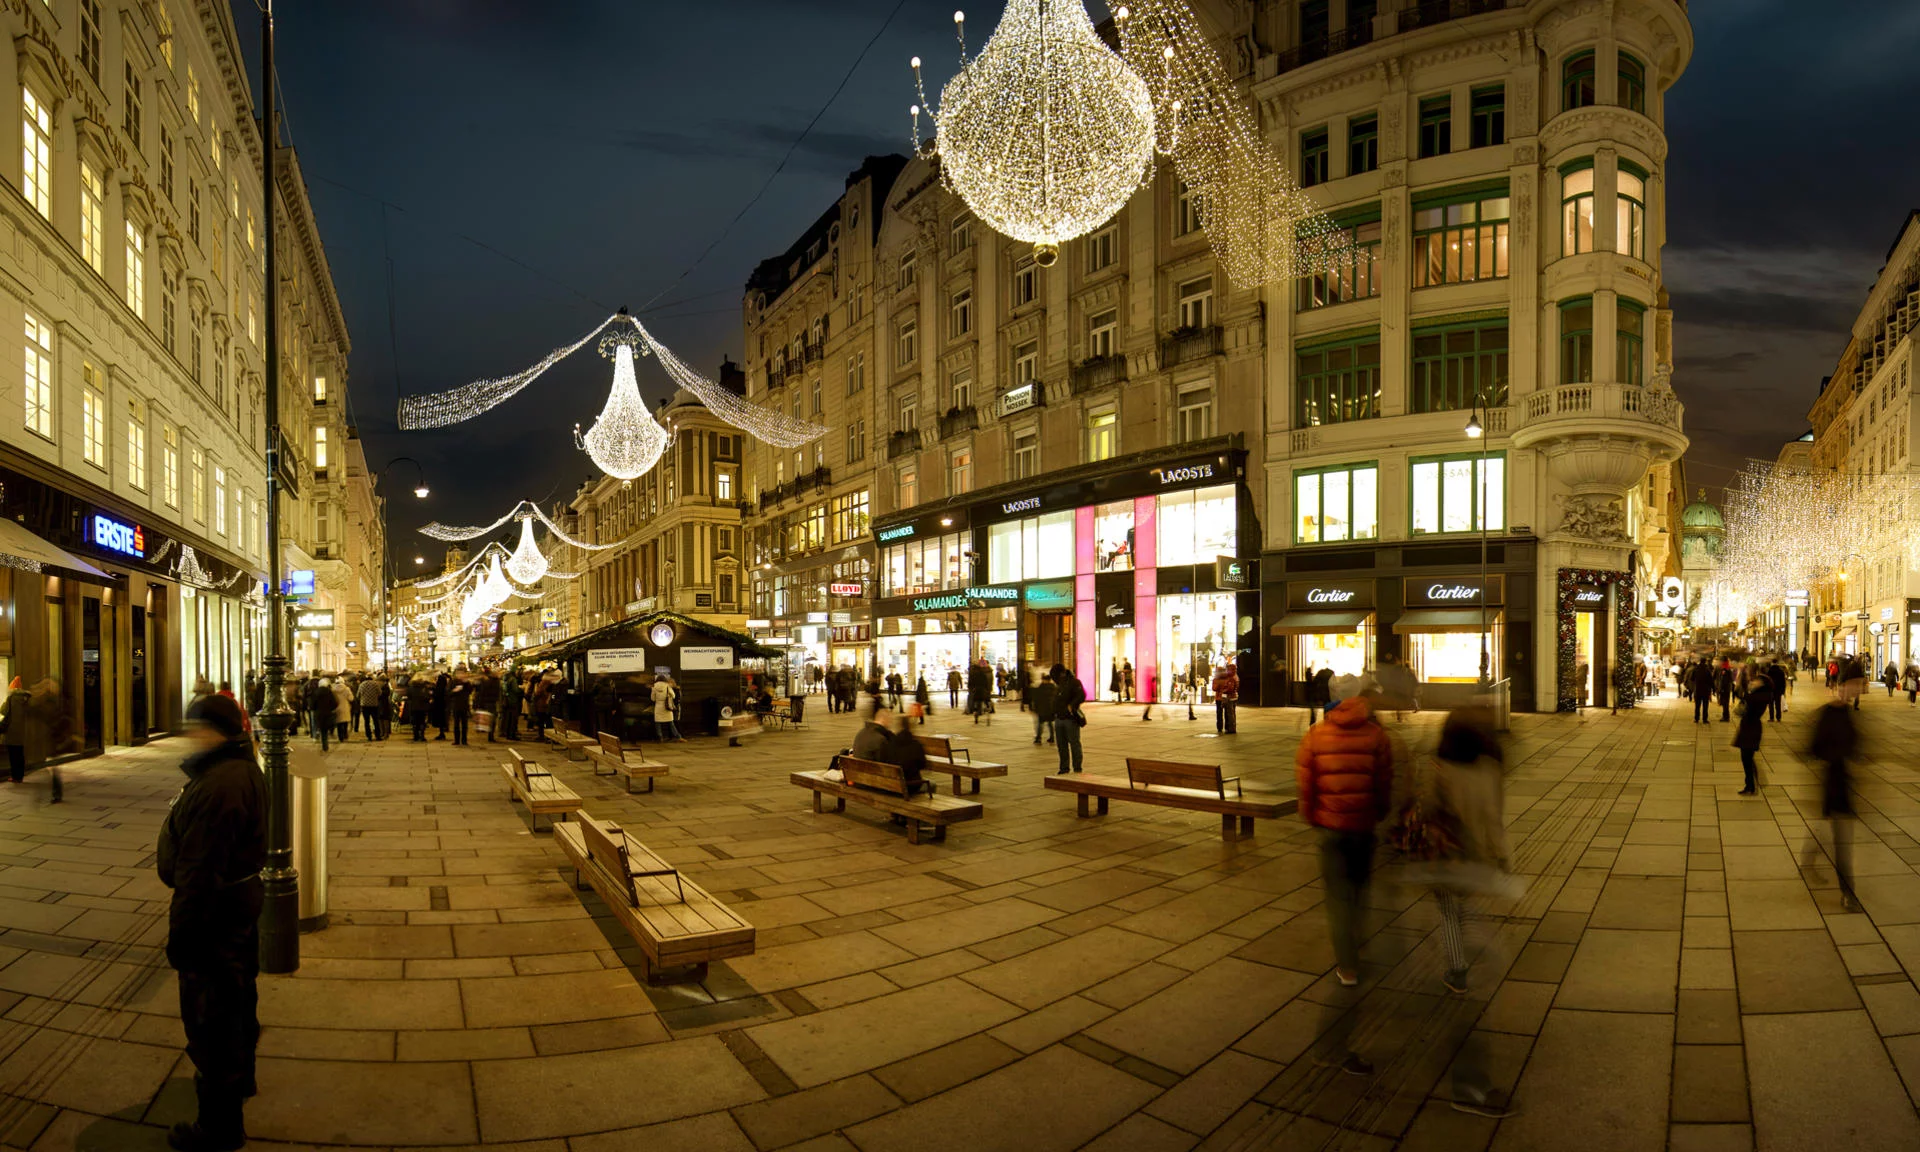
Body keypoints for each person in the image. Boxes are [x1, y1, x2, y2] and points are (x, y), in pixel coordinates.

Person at [158, 694, 267, 1152]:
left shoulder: (220, 785)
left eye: (195, 726)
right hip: (235, 910)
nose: (189, 734)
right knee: (234, 1008)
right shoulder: (237, 770)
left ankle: (218, 1129)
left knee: (213, 1020)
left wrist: (182, 940)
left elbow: (199, 874)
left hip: (216, 921)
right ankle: (235, 1087)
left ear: (213, 731)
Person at [1296, 694, 1393, 1077]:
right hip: (1363, 826)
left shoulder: (1316, 736)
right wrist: (1377, 812)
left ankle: (1348, 966)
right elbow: (1383, 781)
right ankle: (1358, 944)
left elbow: (1307, 782)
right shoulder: (1375, 735)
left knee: (1337, 899)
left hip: (1330, 827)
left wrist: (1314, 816)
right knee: (1360, 891)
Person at [1808, 691, 1862, 912]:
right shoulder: (1827, 714)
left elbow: (1857, 743)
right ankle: (1848, 893)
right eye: (1854, 684)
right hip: (1832, 783)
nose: (1858, 689)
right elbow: (1812, 748)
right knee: (1841, 843)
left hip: (1845, 782)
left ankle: (1808, 859)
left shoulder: (1849, 713)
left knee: (1828, 832)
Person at [1733, 668, 1771, 796]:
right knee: (1747, 757)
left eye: (1756, 681)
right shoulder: (1757, 695)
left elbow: (1746, 701)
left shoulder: (1758, 696)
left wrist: (1747, 691)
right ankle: (1751, 782)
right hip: (1750, 727)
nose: (1753, 682)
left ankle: (1751, 783)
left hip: (1751, 728)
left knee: (1746, 757)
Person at [1050, 663, 1086, 774]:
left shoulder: (1074, 682)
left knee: (1074, 743)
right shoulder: (1059, 683)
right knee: (1061, 745)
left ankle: (1077, 767)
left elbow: (1082, 695)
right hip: (1059, 719)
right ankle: (1064, 768)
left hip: (1070, 719)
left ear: (1062, 673)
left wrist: (1071, 706)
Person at [1, 677, 31, 783]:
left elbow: (3, 710)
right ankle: (20, 776)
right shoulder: (27, 698)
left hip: (12, 731)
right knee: (19, 754)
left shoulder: (11, 698)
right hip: (23, 731)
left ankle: (15, 776)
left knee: (13, 755)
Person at [652, 673, 685, 742]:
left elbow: (653, 699)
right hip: (667, 706)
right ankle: (678, 737)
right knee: (671, 723)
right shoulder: (667, 686)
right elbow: (673, 696)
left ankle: (660, 737)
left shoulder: (654, 687)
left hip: (658, 707)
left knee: (658, 723)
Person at [306, 677, 336, 752]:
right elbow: (334, 703)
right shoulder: (329, 692)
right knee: (325, 729)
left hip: (318, 713)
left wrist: (313, 709)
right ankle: (325, 745)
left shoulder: (316, 692)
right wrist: (330, 709)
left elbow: (312, 704)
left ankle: (323, 744)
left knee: (322, 729)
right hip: (327, 713)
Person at [1211, 661, 1240, 735]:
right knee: (1228, 713)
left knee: (1220, 713)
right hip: (1226, 698)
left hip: (1220, 698)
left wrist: (1220, 686)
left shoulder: (1217, 679)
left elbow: (1214, 688)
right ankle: (1227, 727)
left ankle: (1220, 727)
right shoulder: (1229, 678)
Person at [1031, 670, 1057, 746]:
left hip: (1042, 709)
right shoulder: (1054, 688)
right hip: (1050, 709)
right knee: (1050, 724)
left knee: (1040, 724)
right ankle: (1052, 738)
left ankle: (1038, 738)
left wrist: (1034, 708)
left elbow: (1036, 699)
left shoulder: (1041, 688)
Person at [448, 674, 472, 745]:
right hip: (456, 705)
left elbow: (470, 691)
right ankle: (457, 740)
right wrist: (455, 690)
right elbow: (448, 693)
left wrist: (467, 682)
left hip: (464, 706)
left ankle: (464, 740)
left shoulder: (467, 683)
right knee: (456, 724)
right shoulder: (453, 682)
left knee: (465, 724)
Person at [356, 676, 382, 741]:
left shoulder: (362, 685)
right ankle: (377, 735)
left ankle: (369, 736)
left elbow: (358, 695)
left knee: (367, 721)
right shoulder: (375, 684)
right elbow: (380, 693)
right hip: (374, 705)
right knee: (375, 721)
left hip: (364, 705)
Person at [967, 659, 993, 725]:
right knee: (986, 701)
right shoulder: (983, 674)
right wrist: (987, 689)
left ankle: (975, 713)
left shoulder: (972, 674)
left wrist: (971, 689)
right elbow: (986, 683)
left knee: (976, 702)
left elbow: (970, 684)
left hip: (976, 691)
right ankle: (987, 711)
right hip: (983, 690)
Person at [1688, 658, 1715, 724]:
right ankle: (1705, 719)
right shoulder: (1707, 670)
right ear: (1705, 662)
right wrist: (1714, 689)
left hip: (1698, 690)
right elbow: (1711, 681)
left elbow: (1692, 678)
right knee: (1705, 705)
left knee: (1697, 705)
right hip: (1706, 690)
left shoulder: (1696, 669)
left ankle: (1696, 718)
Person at [406, 676, 431, 742]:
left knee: (415, 722)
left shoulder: (411, 688)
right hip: (423, 708)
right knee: (422, 722)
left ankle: (415, 736)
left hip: (414, 707)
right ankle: (422, 736)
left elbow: (408, 696)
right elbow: (427, 697)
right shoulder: (424, 688)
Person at [330, 676, 353, 744]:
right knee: (345, 722)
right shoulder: (347, 689)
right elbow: (351, 698)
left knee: (339, 723)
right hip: (345, 707)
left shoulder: (333, 689)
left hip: (337, 707)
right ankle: (345, 734)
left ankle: (340, 737)